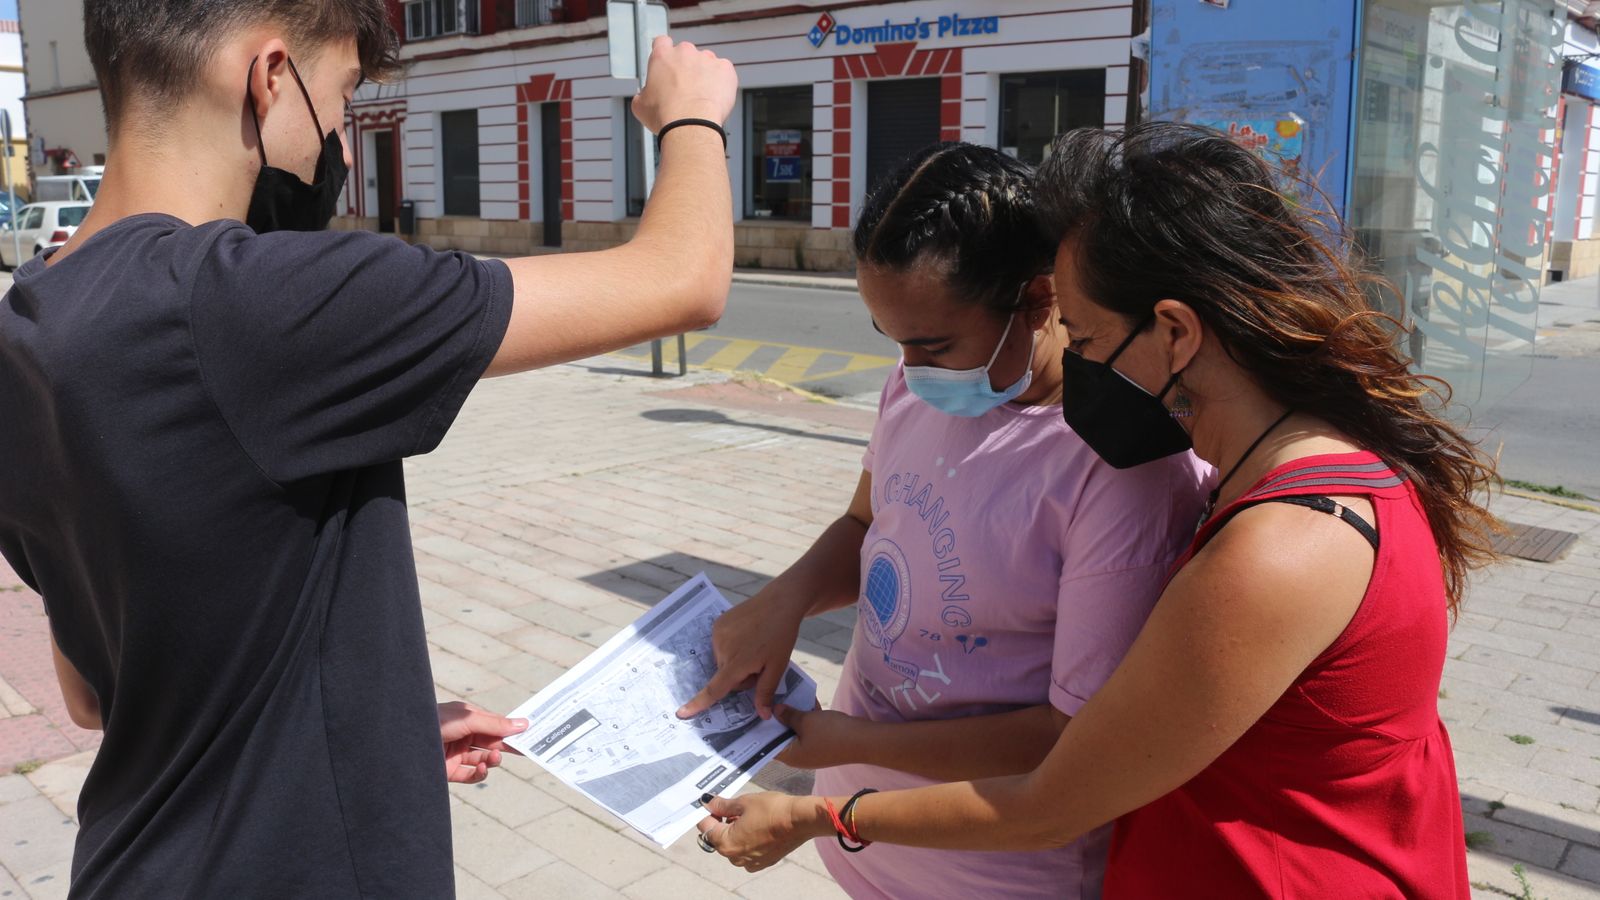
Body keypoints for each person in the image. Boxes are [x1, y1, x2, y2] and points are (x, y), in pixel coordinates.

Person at [0, 0, 737, 895]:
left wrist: (364, 729)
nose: (337, 138)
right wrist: (691, 116)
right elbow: (683, 278)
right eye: (342, 95)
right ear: (270, 78)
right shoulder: (256, 300)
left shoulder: (30, 325)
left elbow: (98, 690)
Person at [692, 123, 1497, 899]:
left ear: (1174, 330)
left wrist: (815, 814)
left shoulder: (1276, 545)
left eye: (1079, 334)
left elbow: (1054, 797)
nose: (1076, 366)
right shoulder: (1283, 482)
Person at [676, 143, 1210, 897]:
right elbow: (868, 521)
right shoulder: (914, 386)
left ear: (1039, 299)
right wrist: (785, 598)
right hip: (863, 841)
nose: (912, 371)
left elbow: (1071, 741)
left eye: (934, 345)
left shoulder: (1123, 471)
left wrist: (850, 744)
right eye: (892, 342)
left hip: (993, 870)